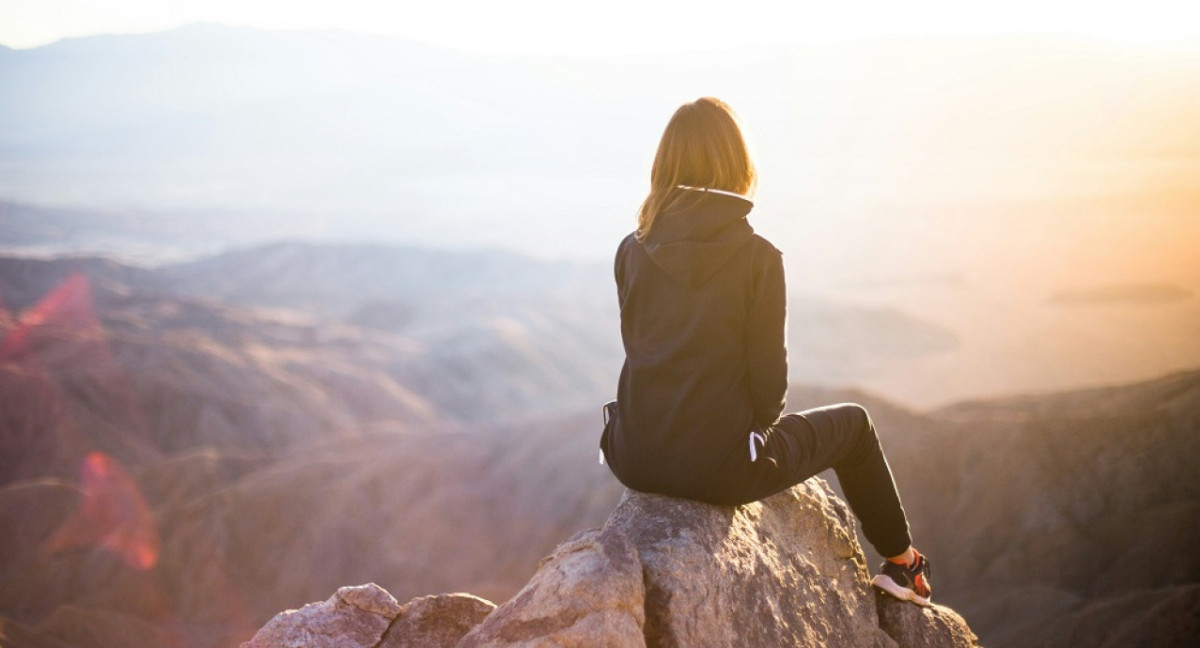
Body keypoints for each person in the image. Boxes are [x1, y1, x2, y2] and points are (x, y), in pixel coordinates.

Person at [599, 97, 932, 606]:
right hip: (720, 470)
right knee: (856, 426)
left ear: (664, 165)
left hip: (632, 454)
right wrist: (746, 438)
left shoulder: (631, 247)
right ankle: (903, 564)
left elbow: (642, 349)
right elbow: (769, 391)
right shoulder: (758, 258)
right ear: (737, 164)